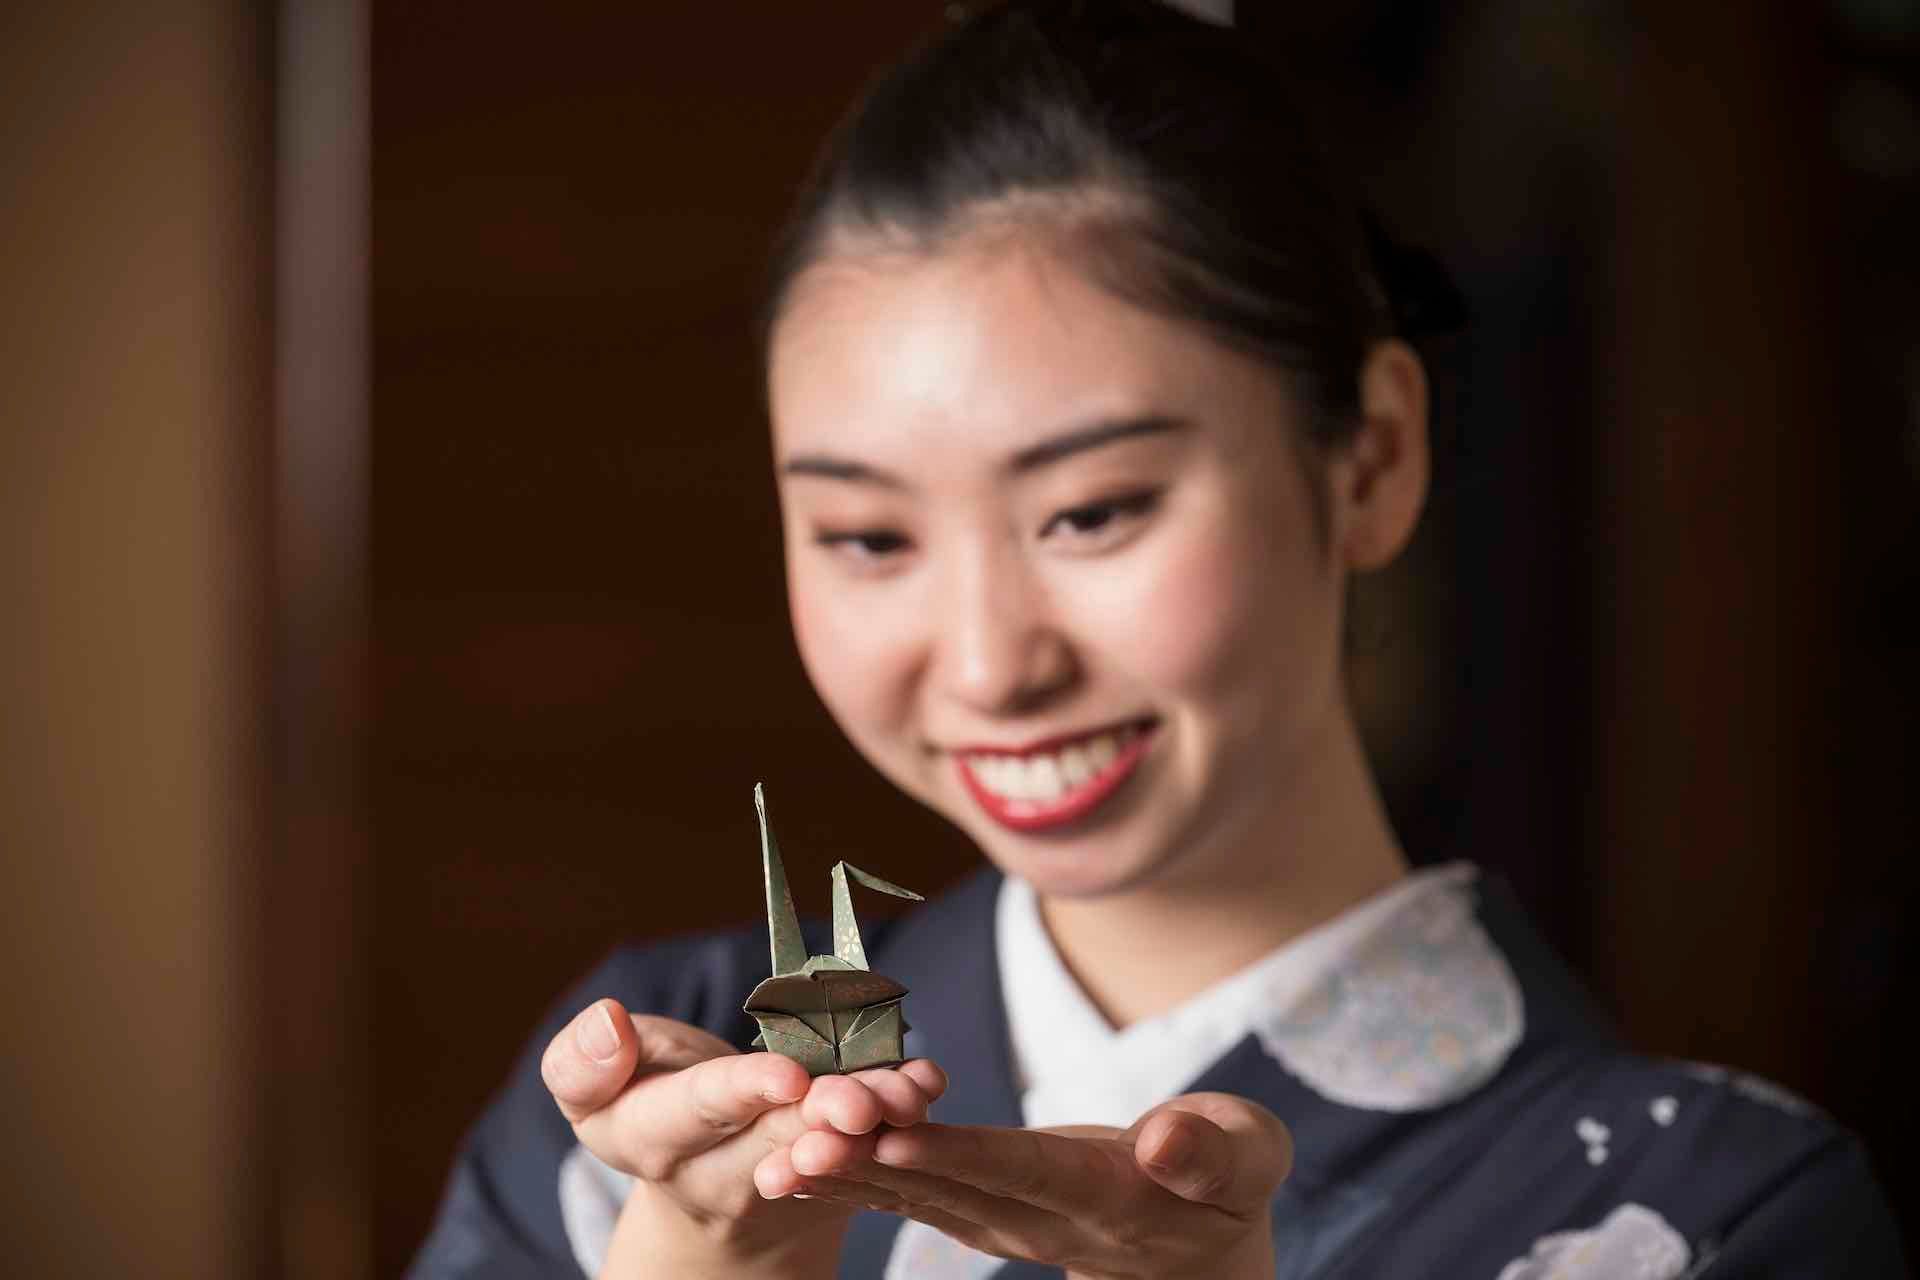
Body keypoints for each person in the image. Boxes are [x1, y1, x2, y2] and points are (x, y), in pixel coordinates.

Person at [408, 3, 1910, 1277]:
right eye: (870, 537)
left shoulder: (1707, 1217)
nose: (991, 663)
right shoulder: (650, 1089)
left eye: (1097, 511)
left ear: (1372, 457)